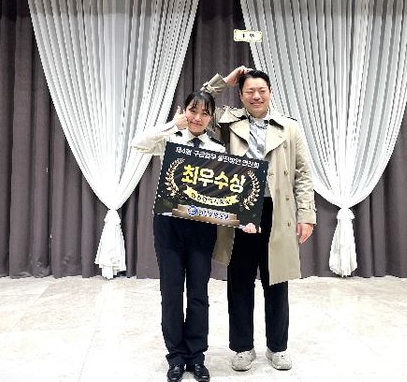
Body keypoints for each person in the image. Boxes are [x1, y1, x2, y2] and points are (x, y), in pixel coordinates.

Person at [202, 66, 316, 371]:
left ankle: (277, 347)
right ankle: (242, 347)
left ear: (270, 92)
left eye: (261, 90)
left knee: (276, 280)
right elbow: (199, 107)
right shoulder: (228, 122)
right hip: (239, 212)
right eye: (249, 91)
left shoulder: (289, 128)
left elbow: (303, 174)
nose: (256, 96)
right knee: (239, 281)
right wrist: (222, 82)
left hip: (277, 211)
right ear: (240, 95)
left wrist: (306, 214)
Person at [131, 91, 224, 382]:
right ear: (184, 110)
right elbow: (138, 143)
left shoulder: (218, 149)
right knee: (171, 293)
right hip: (169, 225)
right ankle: (175, 357)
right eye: (193, 111)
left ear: (211, 118)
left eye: (205, 113)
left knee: (198, 293)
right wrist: (173, 124)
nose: (198, 118)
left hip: (202, 227)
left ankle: (196, 357)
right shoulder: (170, 140)